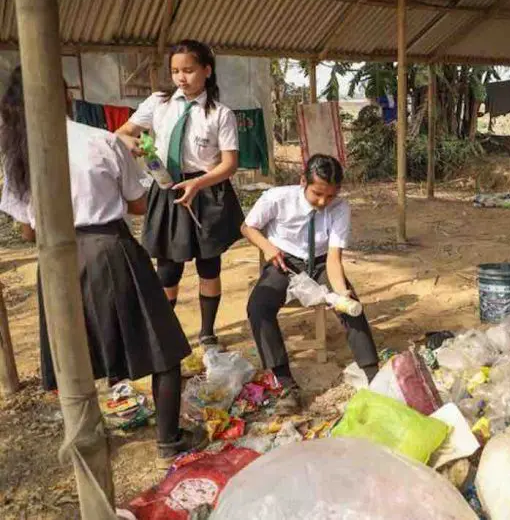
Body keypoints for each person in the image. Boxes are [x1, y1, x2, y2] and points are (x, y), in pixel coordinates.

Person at [0, 67, 201, 465]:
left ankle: (87, 441)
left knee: (77, 356)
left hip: (56, 264)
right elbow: (137, 204)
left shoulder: (17, 157)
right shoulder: (100, 141)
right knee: (164, 349)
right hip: (109, 250)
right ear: (65, 95)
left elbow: (25, 231)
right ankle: (168, 440)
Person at [116, 40, 244, 349]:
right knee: (168, 267)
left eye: (188, 70)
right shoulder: (158, 102)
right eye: (175, 71)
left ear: (206, 71)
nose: (181, 78)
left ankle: (207, 333)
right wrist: (131, 144)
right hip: (168, 189)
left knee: (208, 265)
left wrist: (198, 184)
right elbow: (123, 132)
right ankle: (166, 334)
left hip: (208, 192)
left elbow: (229, 164)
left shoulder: (220, 113)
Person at [241, 154, 378, 413]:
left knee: (351, 307)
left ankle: (374, 376)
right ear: (303, 180)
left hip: (322, 262)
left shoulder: (340, 208)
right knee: (258, 308)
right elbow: (248, 227)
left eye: (330, 195)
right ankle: (285, 385)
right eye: (317, 194)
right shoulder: (277, 198)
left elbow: (335, 259)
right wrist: (268, 248)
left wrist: (340, 294)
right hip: (284, 262)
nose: (323, 202)